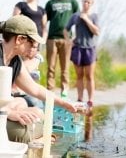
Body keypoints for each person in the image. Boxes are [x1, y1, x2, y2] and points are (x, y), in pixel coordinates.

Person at [0, 15, 79, 143]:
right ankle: (37, 139)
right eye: (31, 44)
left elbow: (35, 89)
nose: (33, 50)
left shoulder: (15, 61)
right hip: (2, 112)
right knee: (22, 133)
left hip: (2, 110)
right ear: (20, 39)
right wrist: (9, 112)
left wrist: (65, 104)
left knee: (39, 114)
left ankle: (37, 138)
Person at [63, 0, 100, 115]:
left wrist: (86, 19)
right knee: (79, 76)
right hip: (78, 48)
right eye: (84, 1)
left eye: (89, 2)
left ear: (92, 4)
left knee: (89, 76)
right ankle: (79, 99)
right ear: (81, 2)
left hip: (90, 48)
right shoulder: (75, 16)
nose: (86, 4)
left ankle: (90, 100)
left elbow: (97, 31)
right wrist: (69, 41)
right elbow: (66, 29)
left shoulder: (94, 16)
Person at [45, 0, 79, 97]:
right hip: (52, 38)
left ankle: (64, 92)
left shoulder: (72, 2)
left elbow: (78, 20)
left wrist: (76, 37)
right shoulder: (50, 3)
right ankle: (50, 92)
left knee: (65, 68)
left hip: (66, 39)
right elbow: (44, 21)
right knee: (51, 67)